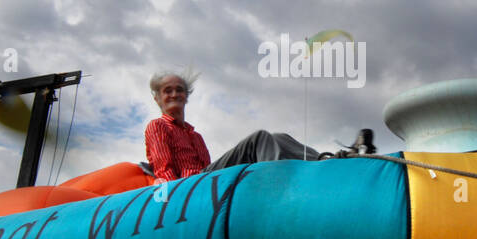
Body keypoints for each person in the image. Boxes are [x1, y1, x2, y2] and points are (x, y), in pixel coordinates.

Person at [144, 70, 374, 182]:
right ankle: (288, 180)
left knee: (279, 137)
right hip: (189, 185)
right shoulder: (158, 127)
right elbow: (164, 169)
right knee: (259, 139)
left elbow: (207, 166)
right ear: (158, 98)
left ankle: (330, 161)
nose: (174, 94)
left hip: (206, 179)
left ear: (186, 96)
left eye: (179, 89)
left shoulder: (195, 136)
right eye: (168, 90)